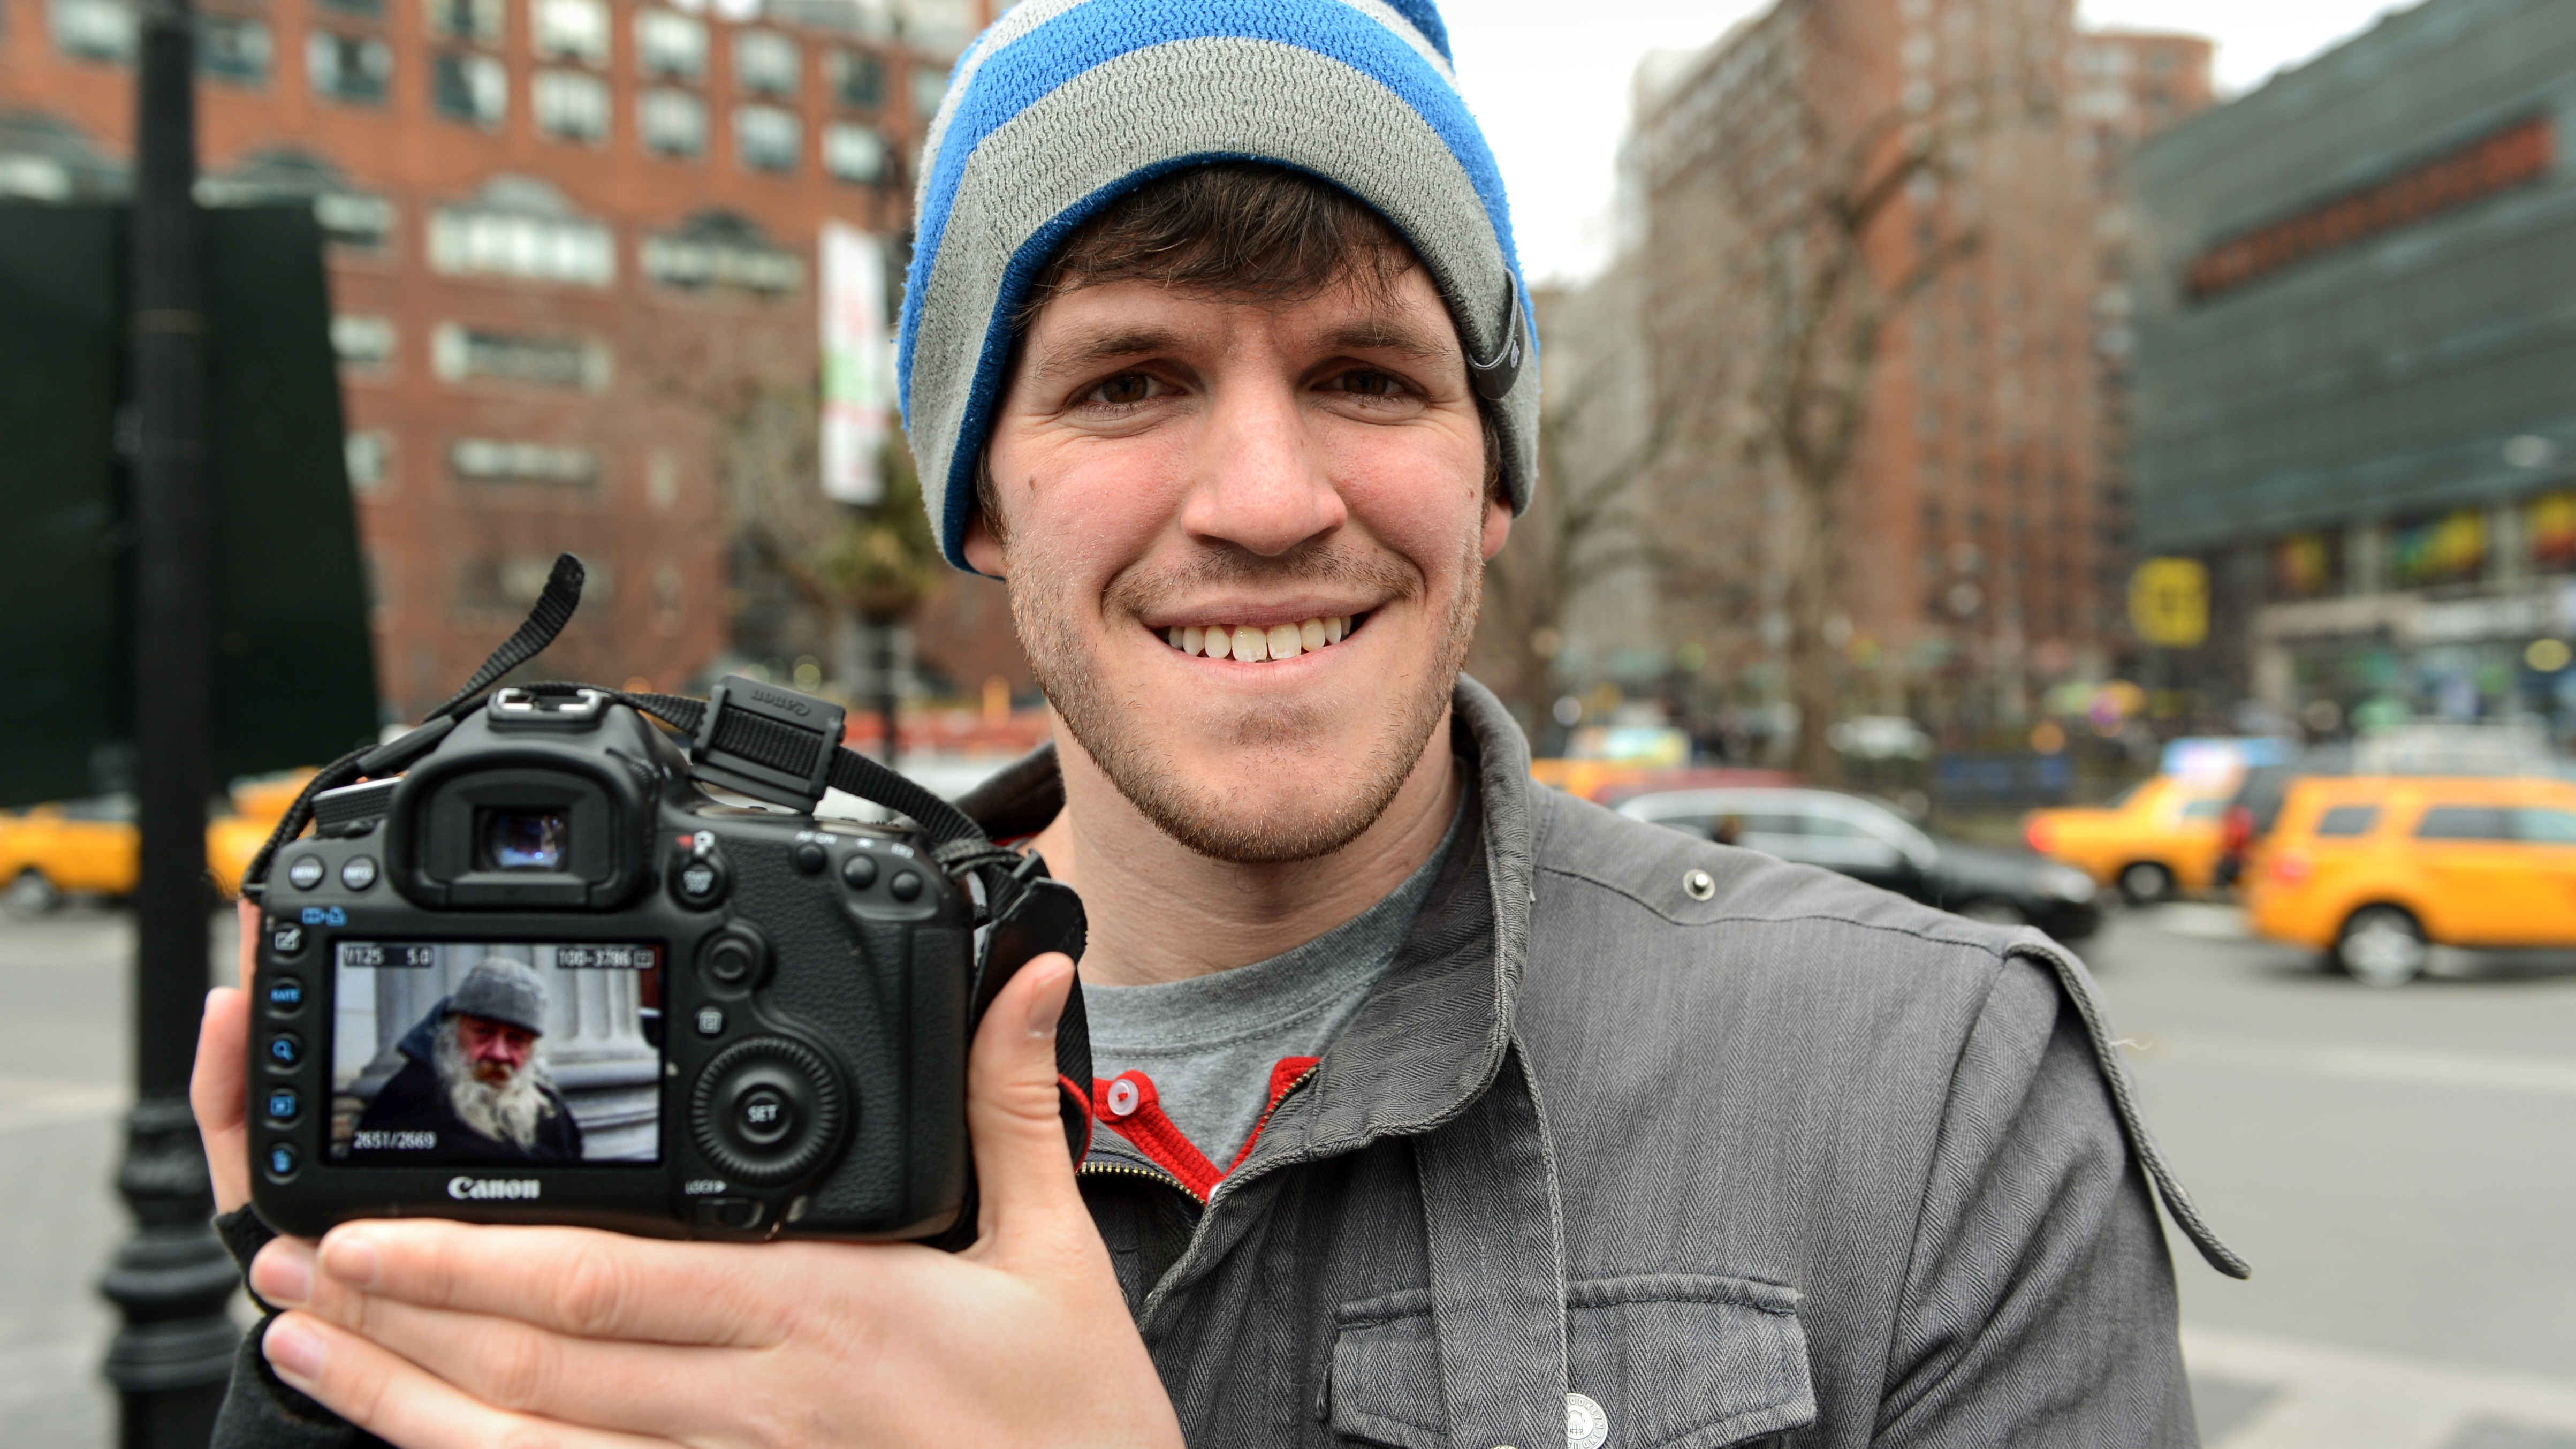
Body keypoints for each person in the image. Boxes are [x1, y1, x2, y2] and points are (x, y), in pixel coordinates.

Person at [191, 3, 2243, 1444]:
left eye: (1365, 373)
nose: (1265, 498)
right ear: (976, 501)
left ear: (1489, 474)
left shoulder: (1926, 1091)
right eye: (1127, 382)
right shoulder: (588, 1071)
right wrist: (343, 1354)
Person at [346, 958, 583, 1164]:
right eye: (483, 1032)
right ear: (453, 1031)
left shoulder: (548, 1105)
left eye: (516, 1039)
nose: (499, 1054)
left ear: (531, 1049)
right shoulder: (407, 1099)